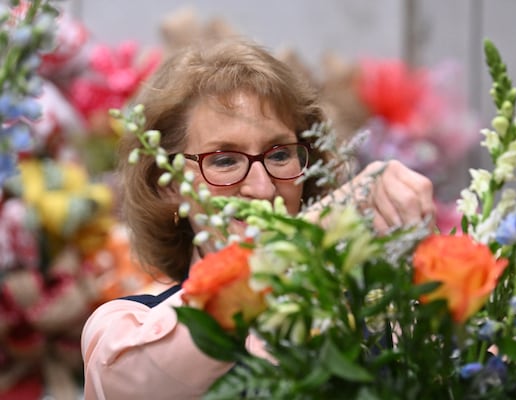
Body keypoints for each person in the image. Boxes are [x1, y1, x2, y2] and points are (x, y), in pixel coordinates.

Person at [80, 38, 435, 399]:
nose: (263, 188)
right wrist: (310, 233)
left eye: (280, 155)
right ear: (168, 185)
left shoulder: (378, 316)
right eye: (224, 160)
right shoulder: (124, 329)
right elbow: (143, 386)